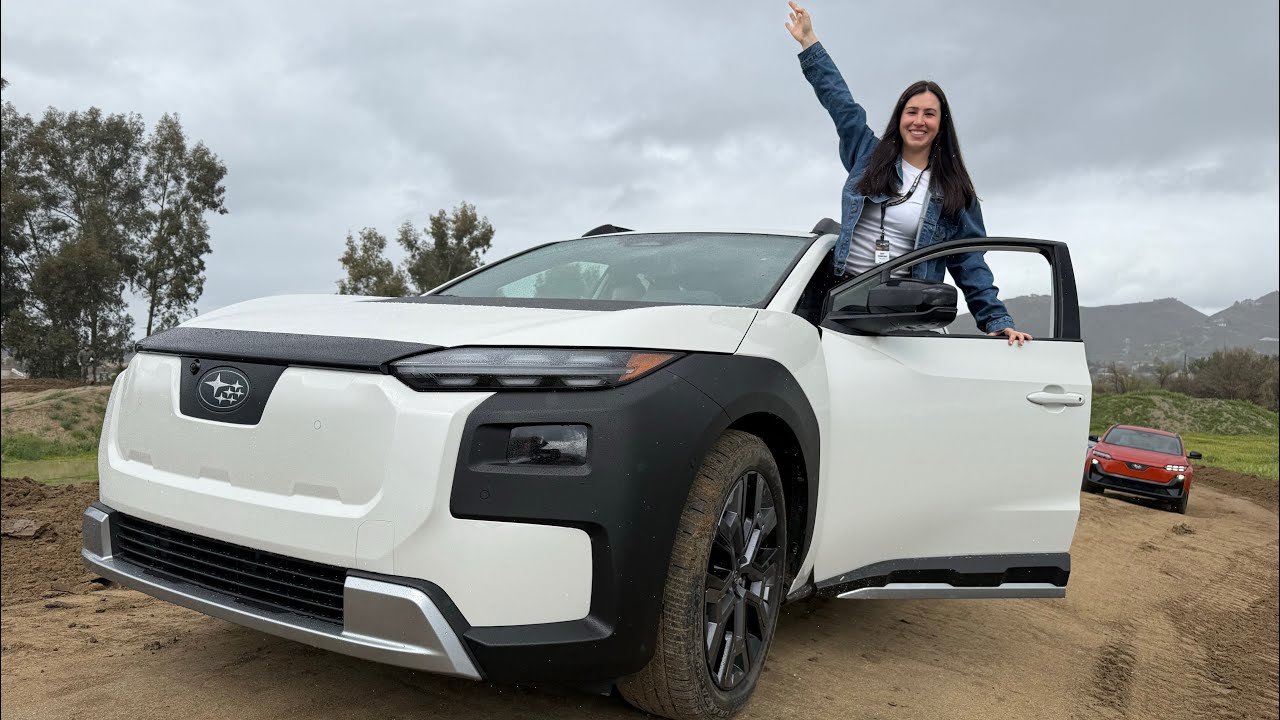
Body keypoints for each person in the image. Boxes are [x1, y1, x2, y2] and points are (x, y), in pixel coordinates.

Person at [785, 2, 1032, 346]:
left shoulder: (954, 191)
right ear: (899, 117)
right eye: (911, 111)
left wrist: (996, 320)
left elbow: (969, 261)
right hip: (839, 298)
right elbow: (841, 104)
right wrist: (810, 42)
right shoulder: (867, 154)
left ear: (940, 124)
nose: (919, 120)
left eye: (929, 114)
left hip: (900, 310)